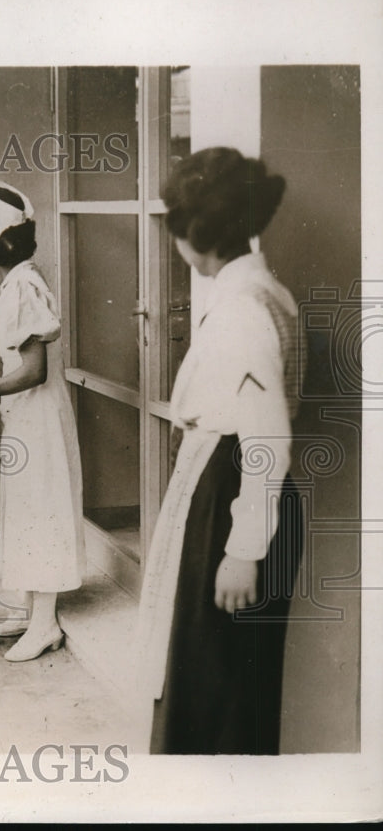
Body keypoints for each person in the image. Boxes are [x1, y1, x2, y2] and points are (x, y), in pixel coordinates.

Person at [135, 148, 304, 755]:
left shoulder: (243, 310)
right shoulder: (260, 290)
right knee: (222, 683)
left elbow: (265, 437)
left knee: (212, 688)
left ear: (193, 233)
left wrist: (242, 550)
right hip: (230, 490)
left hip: (233, 500)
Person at [0, 179, 85, 663]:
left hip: (39, 414)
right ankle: (32, 613)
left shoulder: (26, 286)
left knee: (41, 510)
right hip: (27, 415)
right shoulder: (14, 282)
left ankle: (46, 623)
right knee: (27, 510)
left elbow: (35, 369)